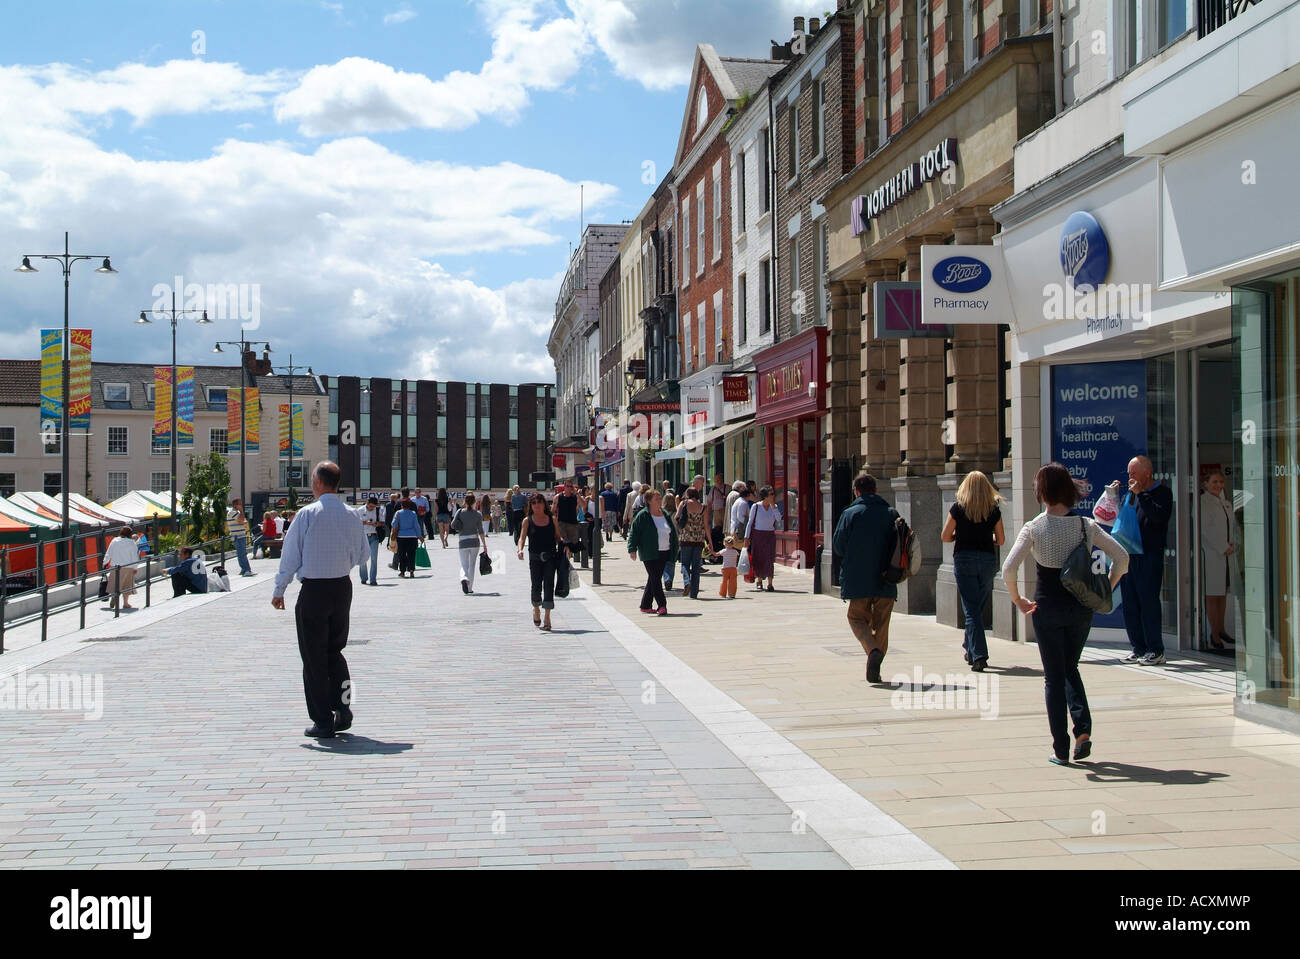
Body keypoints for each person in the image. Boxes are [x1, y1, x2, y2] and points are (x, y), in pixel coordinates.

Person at [1003, 462, 1129, 765]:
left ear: (1041, 492)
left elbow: (1008, 568)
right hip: (1081, 608)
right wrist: (1105, 590)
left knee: (1053, 677)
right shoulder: (1086, 526)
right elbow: (1122, 559)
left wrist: (1018, 598)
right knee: (1070, 667)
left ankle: (1060, 748)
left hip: (1046, 608)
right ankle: (1082, 731)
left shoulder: (1034, 528)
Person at [271, 461, 370, 739]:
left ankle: (322, 720)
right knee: (335, 653)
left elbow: (290, 556)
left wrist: (280, 589)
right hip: (341, 587)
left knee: (313, 658)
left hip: (314, 589)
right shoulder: (352, 515)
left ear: (317, 483)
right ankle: (345, 707)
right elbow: (364, 555)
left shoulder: (306, 515)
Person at [832, 474, 900, 683]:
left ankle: (872, 651)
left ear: (856, 491)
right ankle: (876, 665)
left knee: (855, 617)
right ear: (876, 490)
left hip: (858, 578)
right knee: (882, 623)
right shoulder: (891, 513)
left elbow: (838, 546)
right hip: (887, 577)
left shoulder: (850, 514)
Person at [941, 471, 1007, 672]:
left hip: (964, 558)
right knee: (976, 607)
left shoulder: (958, 508)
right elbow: (1001, 540)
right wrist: (988, 540)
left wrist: (958, 538)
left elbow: (945, 536)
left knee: (971, 609)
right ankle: (969, 648)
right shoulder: (993, 509)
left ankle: (979, 655)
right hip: (987, 559)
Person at [1118, 455, 1174, 666]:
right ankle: (1138, 647)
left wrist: (1142, 495)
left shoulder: (1162, 493)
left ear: (1147, 473)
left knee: (1148, 602)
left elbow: (1158, 517)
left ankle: (1155, 649)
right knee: (1130, 603)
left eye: (1134, 472)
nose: (1130, 477)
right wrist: (1116, 495)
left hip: (1149, 554)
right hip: (1129, 554)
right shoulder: (1131, 495)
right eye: (1129, 473)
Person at [1200, 470, 1238, 651]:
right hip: (1212, 555)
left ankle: (1221, 629)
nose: (1218, 485)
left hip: (1227, 555)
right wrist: (1223, 547)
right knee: (1212, 594)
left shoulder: (1227, 503)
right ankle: (1213, 633)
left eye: (1221, 482)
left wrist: (1233, 544)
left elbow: (1233, 527)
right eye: (1214, 482)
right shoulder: (1203, 502)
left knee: (1222, 593)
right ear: (1205, 484)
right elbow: (1205, 530)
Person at [518, 492, 567, 630]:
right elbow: (522, 538)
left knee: (549, 586)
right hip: (534, 558)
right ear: (530, 505)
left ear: (544, 504)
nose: (537, 505)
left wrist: (564, 545)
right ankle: (536, 609)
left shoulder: (552, 519)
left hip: (550, 557)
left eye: (539, 502)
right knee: (536, 586)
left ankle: (547, 617)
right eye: (533, 503)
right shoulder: (527, 520)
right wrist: (520, 549)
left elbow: (558, 537)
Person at [628, 488, 678, 616]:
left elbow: (672, 532)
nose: (659, 500)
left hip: (664, 550)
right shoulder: (643, 515)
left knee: (653, 578)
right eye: (656, 499)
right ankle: (662, 605)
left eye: (660, 498)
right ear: (649, 501)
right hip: (649, 551)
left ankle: (645, 605)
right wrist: (632, 549)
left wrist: (675, 548)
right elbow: (634, 533)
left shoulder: (665, 514)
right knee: (656, 579)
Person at [675, 487, 711, 599]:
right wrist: (710, 541)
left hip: (686, 538)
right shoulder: (703, 507)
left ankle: (687, 582)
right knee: (696, 566)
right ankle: (694, 593)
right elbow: (706, 525)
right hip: (699, 539)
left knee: (685, 563)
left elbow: (676, 517)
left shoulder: (684, 503)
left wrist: (679, 529)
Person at [744, 486, 781, 592]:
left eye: (773, 494)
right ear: (765, 496)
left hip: (769, 535)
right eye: (771, 494)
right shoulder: (756, 507)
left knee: (769, 559)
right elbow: (750, 522)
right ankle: (759, 580)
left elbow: (778, 519)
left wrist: (773, 506)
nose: (773, 496)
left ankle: (770, 583)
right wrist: (747, 537)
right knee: (759, 558)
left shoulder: (774, 507)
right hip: (758, 535)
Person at [451, 492, 489, 594]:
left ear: (465, 501)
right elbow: (481, 530)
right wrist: (484, 544)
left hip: (463, 541)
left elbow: (452, 524)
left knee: (464, 564)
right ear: (474, 502)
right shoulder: (478, 514)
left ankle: (463, 577)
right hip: (474, 541)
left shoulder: (460, 512)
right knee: (472, 565)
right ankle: (469, 588)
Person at [103, 525, 141, 610]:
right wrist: (135, 568)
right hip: (128, 566)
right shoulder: (131, 543)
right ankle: (125, 603)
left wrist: (104, 562)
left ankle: (114, 597)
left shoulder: (114, 541)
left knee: (115, 584)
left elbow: (109, 553)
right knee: (126, 586)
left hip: (115, 566)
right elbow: (135, 556)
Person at [392, 496, 424, 578]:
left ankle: (402, 572)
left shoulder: (398, 513)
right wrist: (419, 536)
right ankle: (411, 571)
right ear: (409, 506)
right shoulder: (413, 513)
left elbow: (394, 524)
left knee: (401, 554)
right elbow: (416, 526)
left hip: (401, 537)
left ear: (401, 505)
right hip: (412, 537)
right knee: (411, 554)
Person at [226, 497, 254, 577]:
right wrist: (241, 510)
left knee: (241, 553)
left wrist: (242, 520)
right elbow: (242, 520)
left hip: (239, 535)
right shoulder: (233, 512)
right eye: (240, 504)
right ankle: (247, 570)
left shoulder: (235, 513)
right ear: (235, 505)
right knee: (242, 554)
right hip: (238, 536)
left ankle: (244, 569)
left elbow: (243, 521)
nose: (241, 505)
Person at [359, 495, 381, 586]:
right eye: (370, 506)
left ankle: (373, 579)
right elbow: (355, 522)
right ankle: (364, 577)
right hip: (363, 536)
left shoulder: (379, 510)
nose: (371, 508)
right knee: (363, 558)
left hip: (374, 535)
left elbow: (382, 522)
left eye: (373, 506)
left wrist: (378, 524)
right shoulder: (360, 510)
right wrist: (365, 522)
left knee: (374, 558)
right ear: (367, 503)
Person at [554, 481, 581, 553]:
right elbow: (553, 510)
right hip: (561, 524)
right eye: (567, 486)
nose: (569, 488)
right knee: (564, 544)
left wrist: (577, 494)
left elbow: (583, 505)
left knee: (572, 546)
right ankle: (565, 560)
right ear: (564, 487)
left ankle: (567, 559)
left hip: (573, 523)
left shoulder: (575, 496)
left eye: (571, 486)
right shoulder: (558, 497)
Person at [661, 490, 679, 591]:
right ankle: (669, 579)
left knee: (663, 561)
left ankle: (666, 578)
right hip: (674, 539)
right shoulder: (676, 514)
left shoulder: (661, 513)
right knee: (671, 561)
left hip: (663, 539)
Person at [707, 473, 728, 560]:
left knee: (725, 531)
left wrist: (724, 497)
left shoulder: (727, 488)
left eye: (719, 480)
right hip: (716, 511)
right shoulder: (713, 489)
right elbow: (709, 502)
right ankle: (719, 549)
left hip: (725, 511)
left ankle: (727, 548)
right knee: (717, 531)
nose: (717, 482)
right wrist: (708, 515)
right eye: (715, 480)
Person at [383, 492, 403, 569]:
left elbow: (385, 514)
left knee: (392, 535)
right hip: (398, 525)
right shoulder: (398, 505)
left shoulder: (388, 505)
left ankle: (390, 544)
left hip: (391, 522)